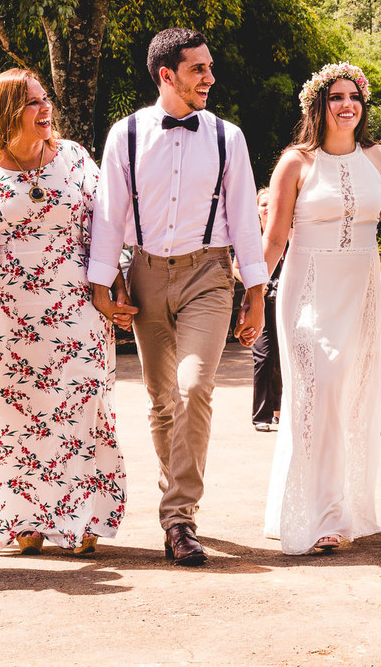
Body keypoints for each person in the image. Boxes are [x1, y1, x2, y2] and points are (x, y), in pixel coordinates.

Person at [89, 28, 267, 567]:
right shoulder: (126, 133)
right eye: (199, 70)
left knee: (194, 387)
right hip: (143, 273)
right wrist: (104, 282)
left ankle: (179, 517)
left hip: (207, 275)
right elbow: (109, 211)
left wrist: (256, 292)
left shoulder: (226, 137)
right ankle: (177, 501)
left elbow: (242, 218)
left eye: (210, 68)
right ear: (167, 75)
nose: (210, 78)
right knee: (162, 399)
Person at [0, 69, 128, 556]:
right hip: (9, 314)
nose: (43, 108)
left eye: (44, 98)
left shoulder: (74, 159)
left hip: (76, 308)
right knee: (14, 416)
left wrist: (114, 285)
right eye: (31, 102)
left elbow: (108, 228)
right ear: (6, 111)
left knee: (80, 408)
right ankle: (22, 521)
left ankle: (81, 517)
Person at [262, 62, 381, 555]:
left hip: (360, 289)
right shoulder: (296, 163)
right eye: (336, 97)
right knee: (317, 389)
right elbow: (275, 237)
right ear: (317, 105)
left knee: (348, 397)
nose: (348, 105)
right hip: (307, 289)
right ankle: (323, 515)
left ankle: (335, 503)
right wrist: (249, 297)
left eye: (355, 97)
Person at [248, 188, 282, 433]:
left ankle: (281, 410)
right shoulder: (251, 238)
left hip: (287, 304)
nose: (268, 208)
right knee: (263, 356)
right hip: (259, 304)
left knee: (284, 358)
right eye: (263, 204)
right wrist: (256, 284)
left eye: (273, 203)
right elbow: (236, 267)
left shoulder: (292, 234)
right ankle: (261, 415)